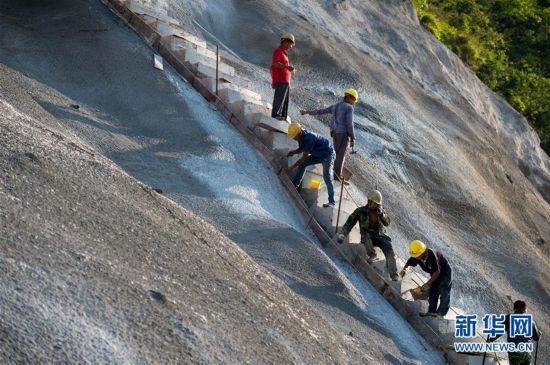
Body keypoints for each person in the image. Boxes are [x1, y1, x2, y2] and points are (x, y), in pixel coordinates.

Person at [336, 190, 399, 281]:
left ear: (377, 203)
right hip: (368, 235)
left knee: (390, 250)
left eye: (371, 201)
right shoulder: (360, 211)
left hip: (380, 235)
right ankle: (372, 255)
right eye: (368, 200)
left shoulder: (381, 212)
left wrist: (381, 214)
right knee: (366, 235)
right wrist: (343, 234)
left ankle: (394, 274)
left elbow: (387, 223)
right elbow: (349, 223)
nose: (369, 202)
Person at [301, 88, 357, 182]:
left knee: (335, 153)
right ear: (349, 97)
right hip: (343, 134)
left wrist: (307, 112)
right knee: (341, 156)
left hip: (335, 133)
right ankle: (336, 177)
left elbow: (321, 111)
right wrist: (353, 138)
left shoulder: (335, 106)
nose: (354, 102)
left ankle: (332, 173)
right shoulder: (349, 108)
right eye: (354, 99)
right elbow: (350, 124)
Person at [287, 123, 335, 207]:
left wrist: (291, 168)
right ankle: (295, 185)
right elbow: (301, 149)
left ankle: (331, 201)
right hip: (318, 154)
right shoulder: (301, 137)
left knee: (326, 176)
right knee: (303, 165)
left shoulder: (309, 138)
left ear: (299, 133)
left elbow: (303, 158)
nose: (294, 138)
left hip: (328, 155)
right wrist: (293, 152)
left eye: (294, 137)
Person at [400, 240, 452, 317]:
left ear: (422, 252)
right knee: (433, 290)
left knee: (443, 289)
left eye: (417, 255)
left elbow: (437, 272)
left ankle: (441, 313)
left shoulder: (431, 255)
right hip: (434, 273)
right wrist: (404, 270)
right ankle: (431, 312)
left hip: (444, 271)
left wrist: (427, 284)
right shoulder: (416, 256)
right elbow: (409, 262)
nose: (416, 258)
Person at [488, 300, 541, 365]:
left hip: (515, 353)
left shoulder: (509, 318)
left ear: (514, 309)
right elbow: (536, 338)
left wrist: (490, 340)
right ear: (525, 309)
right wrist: (539, 333)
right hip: (526, 353)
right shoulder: (531, 321)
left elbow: (498, 332)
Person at [270, 33, 295, 121]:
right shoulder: (278, 51)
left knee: (285, 101)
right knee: (279, 99)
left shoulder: (285, 54)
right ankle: (275, 116)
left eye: (291, 44)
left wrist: (289, 69)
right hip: (281, 80)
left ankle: (283, 116)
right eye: (289, 43)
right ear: (284, 42)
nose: (290, 46)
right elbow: (275, 63)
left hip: (285, 81)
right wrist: (287, 67)